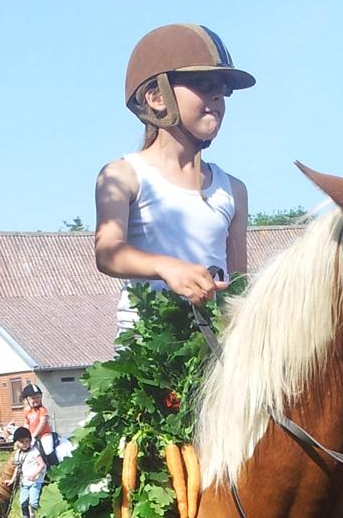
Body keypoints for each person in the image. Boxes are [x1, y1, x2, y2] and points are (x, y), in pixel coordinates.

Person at [94, 23, 253, 331]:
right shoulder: (122, 175)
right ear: (157, 98)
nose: (218, 98)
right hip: (145, 356)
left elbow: (238, 283)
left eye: (223, 91)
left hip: (215, 345)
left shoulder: (233, 190)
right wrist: (166, 267)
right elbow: (107, 252)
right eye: (205, 85)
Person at [13, 426, 47, 518]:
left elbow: (42, 464)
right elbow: (17, 468)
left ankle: (44, 515)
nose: (24, 444)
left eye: (27, 441)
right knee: (23, 502)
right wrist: (12, 480)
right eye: (22, 442)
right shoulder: (18, 454)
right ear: (17, 443)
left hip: (35, 481)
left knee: (33, 502)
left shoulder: (34, 452)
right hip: (24, 482)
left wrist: (35, 474)